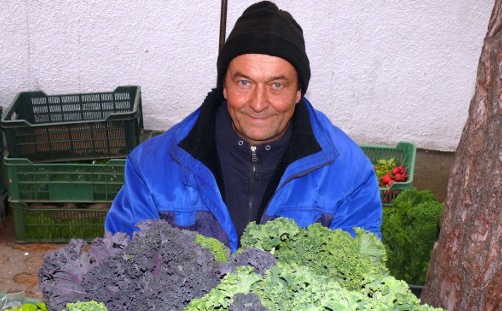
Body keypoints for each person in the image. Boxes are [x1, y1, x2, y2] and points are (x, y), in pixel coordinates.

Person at [105, 1, 382, 252]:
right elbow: (122, 262)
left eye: (277, 85)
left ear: (298, 92)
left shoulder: (349, 175)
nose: (258, 103)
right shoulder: (151, 168)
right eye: (244, 82)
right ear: (224, 86)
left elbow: (357, 276)